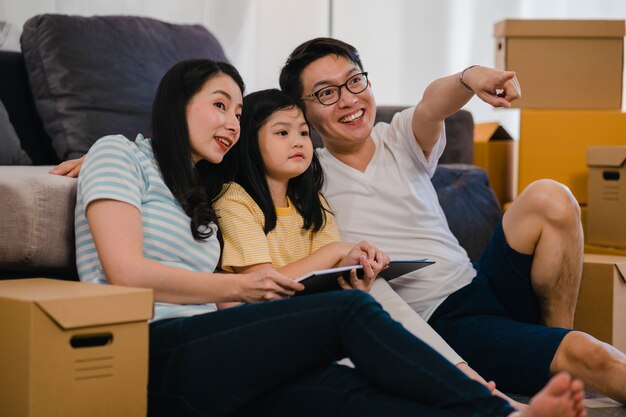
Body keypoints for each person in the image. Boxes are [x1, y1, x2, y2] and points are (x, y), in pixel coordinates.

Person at [73, 57, 586, 417]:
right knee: (348, 312)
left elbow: (248, 168)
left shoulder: (201, 187)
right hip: (148, 348)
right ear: (176, 103)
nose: (232, 122)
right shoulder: (118, 153)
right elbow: (125, 273)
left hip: (217, 358)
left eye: (237, 112)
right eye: (220, 105)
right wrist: (243, 287)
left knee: (347, 393)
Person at [277, 37, 626, 402]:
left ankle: (553, 349)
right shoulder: (305, 176)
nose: (348, 99)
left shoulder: (398, 135)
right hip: (444, 321)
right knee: (593, 355)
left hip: (478, 280)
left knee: (551, 197)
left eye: (353, 81)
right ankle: (561, 359)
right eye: (326, 94)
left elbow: (432, 105)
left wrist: (471, 78)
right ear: (303, 112)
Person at [214, 88, 389, 292]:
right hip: (267, 314)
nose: (298, 142)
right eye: (282, 133)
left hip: (309, 304)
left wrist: (351, 266)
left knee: (376, 285)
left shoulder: (312, 201)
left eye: (304, 133)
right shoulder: (233, 200)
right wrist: (337, 250)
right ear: (248, 142)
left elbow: (325, 274)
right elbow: (260, 282)